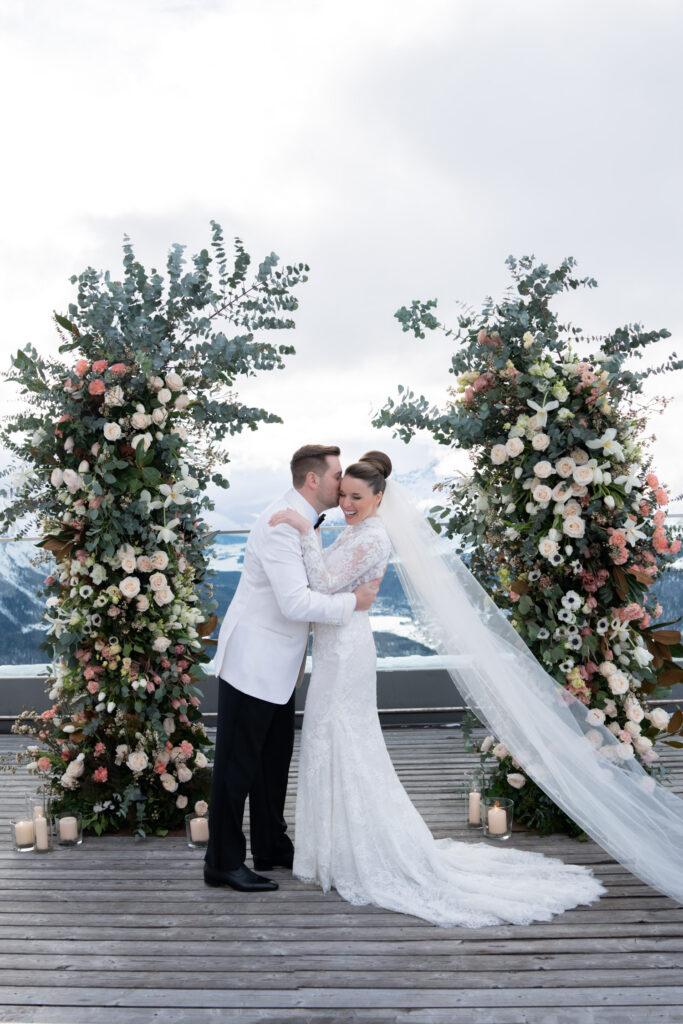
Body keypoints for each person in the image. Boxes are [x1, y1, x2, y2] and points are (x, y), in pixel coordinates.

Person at [269, 451, 610, 927]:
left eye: (357, 497)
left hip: (345, 654)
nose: (346, 503)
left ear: (379, 498)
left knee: (343, 742)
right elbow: (327, 585)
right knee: (330, 741)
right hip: (334, 650)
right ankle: (332, 848)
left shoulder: (372, 536)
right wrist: (327, 555)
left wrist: (305, 531)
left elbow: (321, 580)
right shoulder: (355, 530)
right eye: (343, 494)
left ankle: (353, 851)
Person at [204, 444, 382, 892]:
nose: (342, 483)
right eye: (337, 474)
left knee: (271, 762)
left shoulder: (303, 520)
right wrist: (353, 604)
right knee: (236, 766)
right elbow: (294, 601)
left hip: (280, 664)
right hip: (255, 662)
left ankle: (271, 845)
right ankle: (222, 861)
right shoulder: (283, 524)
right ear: (312, 480)